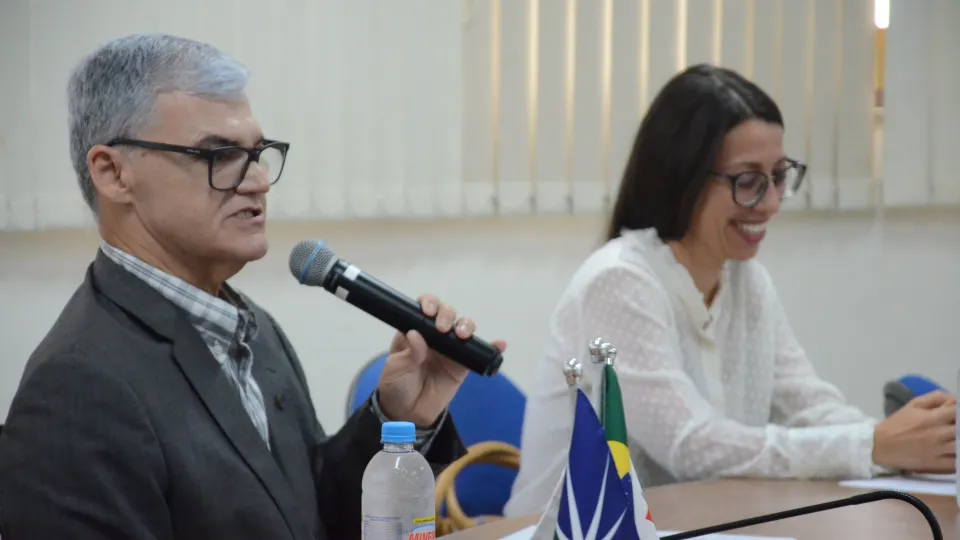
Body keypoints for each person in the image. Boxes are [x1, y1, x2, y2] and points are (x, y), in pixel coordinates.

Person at [0, 34, 506, 540]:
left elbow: (308, 517)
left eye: (258, 152)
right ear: (113, 174)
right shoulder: (76, 388)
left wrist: (400, 416)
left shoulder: (250, 326)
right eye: (219, 154)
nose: (259, 181)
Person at [504, 63, 956, 518]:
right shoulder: (619, 282)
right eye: (748, 181)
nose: (773, 202)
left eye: (779, 175)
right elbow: (690, 445)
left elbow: (808, 406)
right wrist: (873, 445)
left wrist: (908, 440)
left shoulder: (746, 279)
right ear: (680, 177)